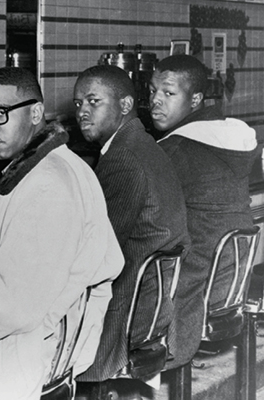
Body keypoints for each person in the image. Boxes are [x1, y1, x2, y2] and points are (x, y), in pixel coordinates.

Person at [0, 67, 123, 400]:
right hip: (47, 341)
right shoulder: (60, 164)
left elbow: (10, 308)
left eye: (0, 115)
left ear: (36, 112)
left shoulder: (45, 186)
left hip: (23, 353)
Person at [72, 65, 190, 397]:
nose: (82, 110)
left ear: (124, 105)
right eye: (78, 102)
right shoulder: (143, 144)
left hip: (125, 313)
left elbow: (97, 250)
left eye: (94, 101)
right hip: (152, 303)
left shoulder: (122, 157)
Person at [149, 55, 259, 370]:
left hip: (191, 293)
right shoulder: (224, 140)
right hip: (227, 284)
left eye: (168, 94)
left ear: (195, 99)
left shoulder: (176, 151)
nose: (156, 101)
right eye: (153, 90)